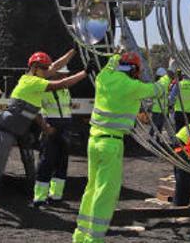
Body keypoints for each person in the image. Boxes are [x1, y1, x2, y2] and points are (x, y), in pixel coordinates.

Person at [0, 49, 86, 224]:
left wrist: (73, 50)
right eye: (44, 68)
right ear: (35, 68)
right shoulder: (32, 82)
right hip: (4, 134)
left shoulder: (33, 81)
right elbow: (62, 83)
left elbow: (55, 67)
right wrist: (85, 72)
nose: (48, 71)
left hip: (8, 134)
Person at [73, 51, 163, 243]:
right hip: (111, 144)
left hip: (94, 140)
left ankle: (80, 235)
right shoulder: (131, 86)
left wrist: (117, 54)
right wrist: (169, 77)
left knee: (91, 187)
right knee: (105, 192)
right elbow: (157, 90)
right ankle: (94, 239)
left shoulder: (103, 77)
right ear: (134, 70)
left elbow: (111, 65)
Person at [33, 74, 74, 207]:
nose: (65, 76)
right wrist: (45, 127)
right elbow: (35, 109)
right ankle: (39, 198)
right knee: (46, 163)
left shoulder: (65, 89)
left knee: (62, 164)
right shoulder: (45, 88)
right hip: (51, 128)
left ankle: (56, 196)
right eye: (63, 74)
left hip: (65, 128)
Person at [150, 67, 171, 132]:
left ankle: (152, 138)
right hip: (163, 108)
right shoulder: (165, 83)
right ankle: (157, 139)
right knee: (160, 126)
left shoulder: (155, 84)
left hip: (156, 108)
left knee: (155, 125)